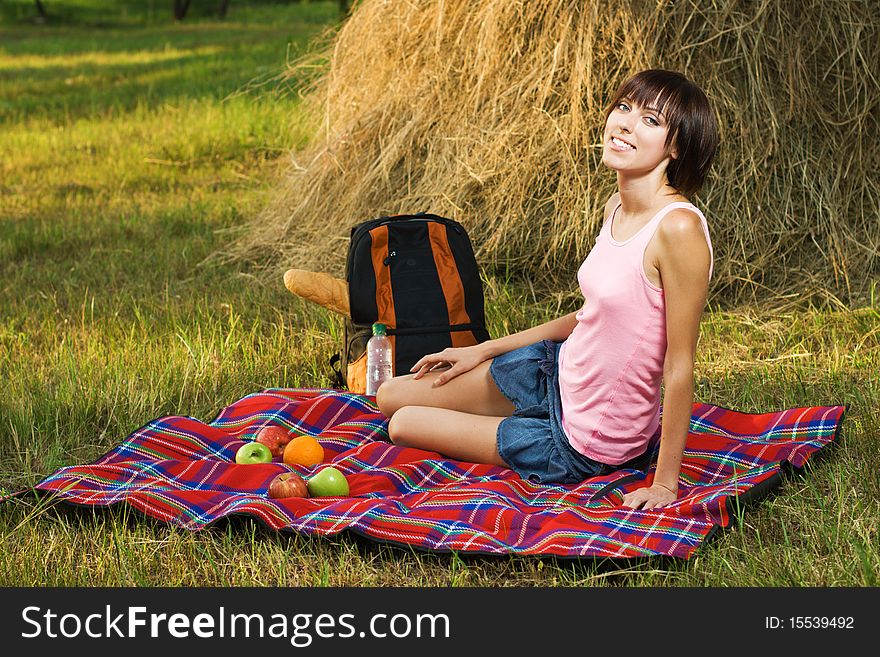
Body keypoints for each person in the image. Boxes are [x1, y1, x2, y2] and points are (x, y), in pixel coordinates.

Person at [375, 69, 718, 510]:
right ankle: (500, 400)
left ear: (675, 147)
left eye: (651, 120)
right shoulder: (617, 206)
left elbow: (680, 364)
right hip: (555, 373)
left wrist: (665, 484)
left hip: (584, 437)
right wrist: (484, 350)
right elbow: (592, 315)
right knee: (389, 396)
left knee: (403, 424)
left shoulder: (679, 228)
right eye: (624, 107)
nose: (627, 124)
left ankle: (513, 424)